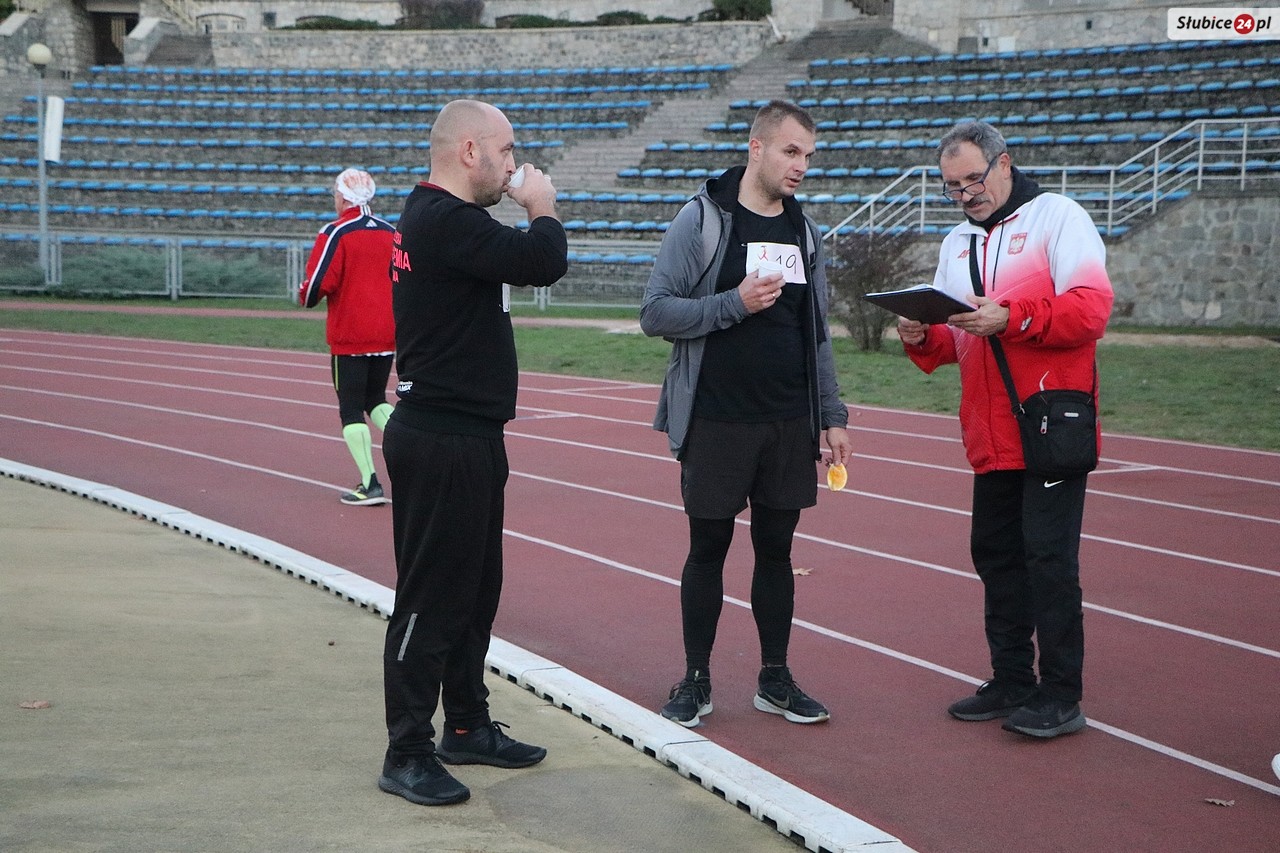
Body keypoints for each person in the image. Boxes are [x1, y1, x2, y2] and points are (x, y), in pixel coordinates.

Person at [377, 99, 568, 806]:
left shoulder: (443, 219)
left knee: (474, 593)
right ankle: (407, 750)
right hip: (441, 434)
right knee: (430, 599)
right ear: (469, 151)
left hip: (470, 431)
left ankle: (466, 724)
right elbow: (542, 260)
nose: (515, 164)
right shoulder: (443, 218)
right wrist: (541, 207)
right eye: (507, 150)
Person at [897, 119, 1113, 739]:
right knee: (995, 556)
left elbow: (1091, 309)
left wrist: (1011, 317)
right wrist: (921, 335)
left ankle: (1061, 695)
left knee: (1049, 561)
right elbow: (954, 340)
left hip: (1049, 424)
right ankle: (1013, 679)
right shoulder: (955, 243)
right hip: (990, 432)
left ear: (1005, 164)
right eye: (952, 186)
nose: (965, 194)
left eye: (974, 179)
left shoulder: (1058, 217)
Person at [639, 100, 852, 728]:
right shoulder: (703, 219)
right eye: (791, 151)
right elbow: (655, 312)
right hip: (716, 418)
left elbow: (816, 333)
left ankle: (775, 679)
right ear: (755, 147)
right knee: (708, 549)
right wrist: (732, 303)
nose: (801, 166)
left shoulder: (805, 232)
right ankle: (695, 680)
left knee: (777, 552)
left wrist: (832, 413)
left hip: (788, 421)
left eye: (808, 155)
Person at [299, 167, 397, 506]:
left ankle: (370, 483)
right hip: (387, 333)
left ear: (343, 197)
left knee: (351, 409)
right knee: (377, 400)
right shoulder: (391, 232)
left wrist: (305, 295)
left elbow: (318, 283)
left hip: (351, 335)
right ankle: (418, 449)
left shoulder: (336, 231)